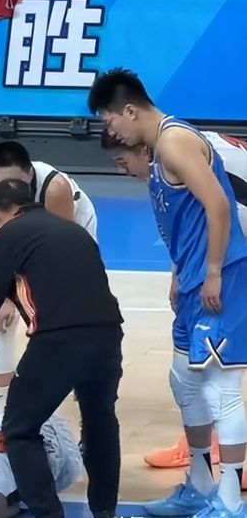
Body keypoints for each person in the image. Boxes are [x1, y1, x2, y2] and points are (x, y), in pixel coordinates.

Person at [88, 68, 247, 518]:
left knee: (221, 388)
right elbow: (187, 219)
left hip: (221, 276)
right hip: (193, 279)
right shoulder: (158, 151)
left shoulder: (175, 141)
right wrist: (180, 270)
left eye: (109, 120)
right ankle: (199, 484)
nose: (111, 131)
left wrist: (213, 271)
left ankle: (230, 501)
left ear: (130, 111)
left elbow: (218, 205)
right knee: (185, 380)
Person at [0, 178, 124, 518]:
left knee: (18, 429)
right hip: (108, 335)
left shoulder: (4, 236)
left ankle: (48, 514)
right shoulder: (74, 231)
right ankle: (104, 511)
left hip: (59, 341)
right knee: (100, 422)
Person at [0, 141, 97, 418]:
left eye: (13, 182)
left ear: (29, 176)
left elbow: (55, 254)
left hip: (69, 237)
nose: (5, 190)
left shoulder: (55, 189)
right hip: (21, 243)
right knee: (0, 316)